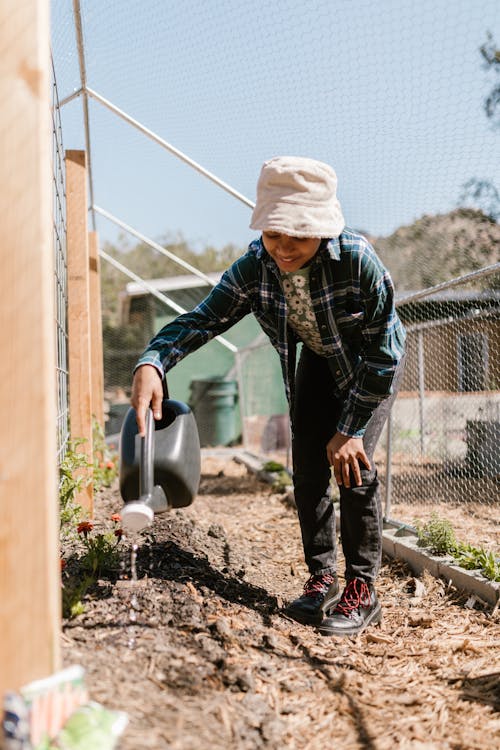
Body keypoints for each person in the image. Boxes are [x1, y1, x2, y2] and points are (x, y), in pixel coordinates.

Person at [131, 156, 406, 637]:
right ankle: (321, 579)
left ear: (322, 229)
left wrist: (351, 429)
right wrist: (153, 361)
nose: (282, 247)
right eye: (273, 233)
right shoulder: (254, 267)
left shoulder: (358, 260)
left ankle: (363, 590)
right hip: (319, 363)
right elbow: (202, 321)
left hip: (368, 368)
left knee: (353, 468)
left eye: (297, 235)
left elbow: (387, 348)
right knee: (308, 471)